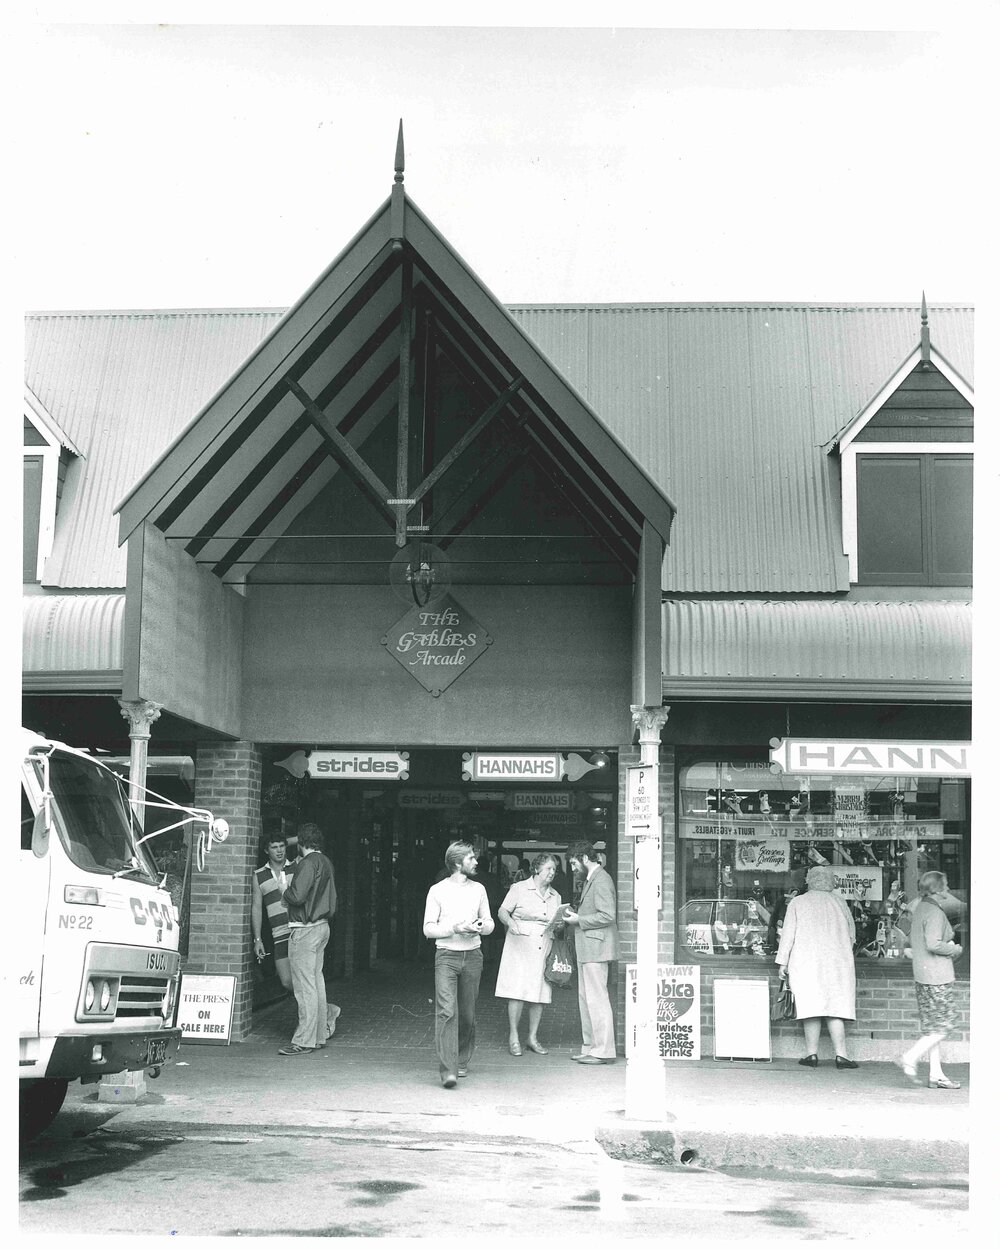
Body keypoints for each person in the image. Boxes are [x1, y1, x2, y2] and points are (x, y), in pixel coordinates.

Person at [422, 841, 495, 1088]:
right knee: (446, 1011)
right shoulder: (437, 891)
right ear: (457, 862)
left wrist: (481, 927)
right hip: (446, 956)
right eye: (471, 858)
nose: (476, 862)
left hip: (473, 955)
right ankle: (448, 1070)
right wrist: (455, 928)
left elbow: (490, 922)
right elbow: (428, 928)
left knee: (467, 1014)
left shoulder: (479, 889)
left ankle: (462, 1060)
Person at [775, 863, 859, 1068]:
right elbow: (852, 935)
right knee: (835, 1007)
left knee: (810, 1007)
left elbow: (788, 935)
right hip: (837, 962)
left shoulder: (798, 902)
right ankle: (842, 1055)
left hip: (805, 961)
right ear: (831, 881)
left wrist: (782, 962)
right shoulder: (840, 902)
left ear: (809, 881)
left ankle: (811, 1054)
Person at [278, 822, 341, 1055]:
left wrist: (283, 887)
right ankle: (320, 1034)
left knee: (304, 987)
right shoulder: (326, 862)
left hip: (304, 929)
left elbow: (297, 896)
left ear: (302, 842)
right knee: (316, 982)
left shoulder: (307, 863)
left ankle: (304, 1040)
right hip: (322, 927)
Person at [898, 871, 964, 1089]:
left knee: (933, 1026)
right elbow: (934, 944)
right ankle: (910, 1056)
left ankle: (937, 1074)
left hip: (923, 974)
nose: (948, 888)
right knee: (945, 1024)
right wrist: (954, 949)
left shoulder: (921, 908)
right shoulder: (934, 912)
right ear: (937, 888)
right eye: (945, 885)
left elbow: (913, 943)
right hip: (937, 975)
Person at [495, 852, 563, 1055]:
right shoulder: (519, 888)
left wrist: (560, 924)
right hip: (519, 943)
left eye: (554, 869)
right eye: (549, 868)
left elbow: (557, 923)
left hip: (544, 944)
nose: (552, 873)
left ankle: (533, 1037)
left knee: (539, 993)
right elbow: (502, 911)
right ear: (536, 869)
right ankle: (514, 1036)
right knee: (517, 991)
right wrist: (510, 923)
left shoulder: (556, 895)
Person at [563, 841, 619, 1065]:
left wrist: (579, 920)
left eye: (575, 863)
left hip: (596, 948)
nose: (574, 868)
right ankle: (590, 1047)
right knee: (587, 1000)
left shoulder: (602, 879)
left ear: (585, 859)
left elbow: (608, 915)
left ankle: (603, 1051)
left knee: (597, 1000)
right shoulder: (592, 879)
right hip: (589, 947)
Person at [251, 829, 294, 990]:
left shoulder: (296, 867)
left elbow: (304, 838)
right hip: (279, 934)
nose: (279, 850)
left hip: (298, 931)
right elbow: (256, 908)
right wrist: (257, 939)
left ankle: (315, 1012)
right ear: (266, 850)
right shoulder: (259, 875)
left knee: (305, 977)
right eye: (274, 847)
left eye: (282, 846)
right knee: (287, 981)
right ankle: (322, 1008)